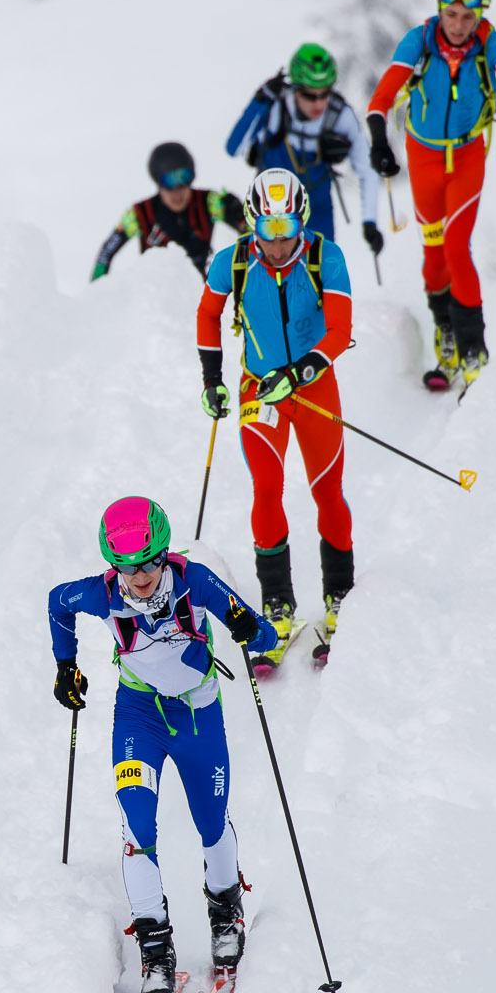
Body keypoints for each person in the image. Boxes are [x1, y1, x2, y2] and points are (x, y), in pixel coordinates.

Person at [48, 496, 277, 993]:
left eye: (149, 563)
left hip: (198, 715)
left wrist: (244, 625)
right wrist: (66, 666)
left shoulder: (194, 581)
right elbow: (57, 602)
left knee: (210, 820)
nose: (140, 576)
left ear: (164, 553)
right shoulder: (103, 594)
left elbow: (262, 633)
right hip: (138, 718)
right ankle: (155, 949)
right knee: (137, 824)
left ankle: (225, 913)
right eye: (126, 567)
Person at [194, 168, 356, 674]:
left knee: (326, 491)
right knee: (266, 489)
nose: (280, 242)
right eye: (269, 231)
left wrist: (302, 369)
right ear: (252, 224)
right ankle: (278, 606)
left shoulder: (325, 256)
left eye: (288, 229)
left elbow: (340, 329)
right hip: (259, 389)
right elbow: (206, 315)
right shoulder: (233, 262)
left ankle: (339, 597)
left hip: (313, 387)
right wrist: (212, 378)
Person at [364, 0, 496, 391]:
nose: (460, 25)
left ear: (480, 14)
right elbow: (384, 94)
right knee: (433, 252)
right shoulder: (420, 40)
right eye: (452, 15)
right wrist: (378, 138)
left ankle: (472, 350)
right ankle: (445, 333)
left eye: (469, 16)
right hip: (423, 156)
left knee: (456, 245)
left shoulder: (486, 40)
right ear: (440, 9)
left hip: (466, 156)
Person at [225, 44, 383, 256]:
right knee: (268, 281)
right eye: (310, 95)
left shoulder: (338, 113)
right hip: (270, 214)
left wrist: (369, 221)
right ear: (296, 89)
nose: (319, 103)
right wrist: (259, 100)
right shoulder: (275, 106)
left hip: (317, 209)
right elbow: (233, 148)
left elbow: (367, 168)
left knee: (322, 275)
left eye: (325, 94)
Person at [91, 142, 247, 282]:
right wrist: (95, 295)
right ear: (158, 182)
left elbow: (255, 235)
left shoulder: (210, 202)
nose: (177, 192)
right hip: (156, 300)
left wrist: (242, 216)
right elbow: (105, 254)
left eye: (184, 179)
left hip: (201, 295)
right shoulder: (139, 214)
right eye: (169, 183)